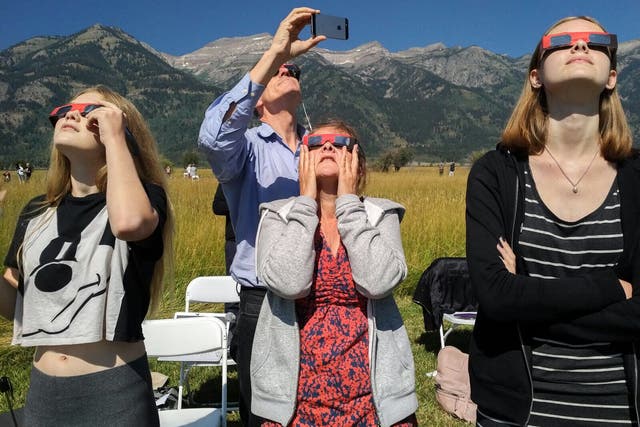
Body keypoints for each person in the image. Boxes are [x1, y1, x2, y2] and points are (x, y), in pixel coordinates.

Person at [465, 16, 640, 425]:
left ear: (612, 77)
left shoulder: (636, 178)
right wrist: (616, 288)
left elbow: (509, 302)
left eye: (595, 41)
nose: (579, 45)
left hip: (621, 408)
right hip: (516, 410)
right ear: (536, 75)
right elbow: (495, 298)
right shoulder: (497, 173)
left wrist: (524, 294)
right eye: (561, 40)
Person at [0, 85, 174, 426]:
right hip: (44, 393)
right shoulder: (36, 212)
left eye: (90, 111)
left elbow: (128, 223)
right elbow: (13, 306)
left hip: (115, 392)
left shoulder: (145, 199)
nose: (71, 113)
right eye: (66, 109)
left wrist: (116, 139)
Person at [198, 7, 326, 425]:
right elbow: (213, 136)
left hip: (321, 292)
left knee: (319, 401)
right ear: (257, 103)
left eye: (295, 70)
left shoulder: (318, 147)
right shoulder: (247, 148)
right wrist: (275, 52)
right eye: (279, 71)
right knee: (264, 412)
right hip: (264, 299)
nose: (290, 71)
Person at [251, 120, 418, 426]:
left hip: (372, 395)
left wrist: (349, 206)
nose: (327, 146)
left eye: (339, 142)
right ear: (302, 159)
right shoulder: (277, 214)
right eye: (315, 144)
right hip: (295, 397)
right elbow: (289, 283)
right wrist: (304, 203)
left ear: (358, 162)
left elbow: (378, 281)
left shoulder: (380, 215)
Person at [212, 183, 239, 333]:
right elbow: (217, 207)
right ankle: (230, 335)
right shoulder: (227, 180)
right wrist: (240, 201)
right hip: (234, 240)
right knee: (231, 286)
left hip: (261, 239)